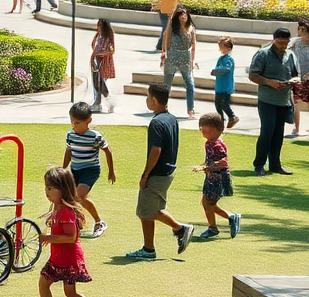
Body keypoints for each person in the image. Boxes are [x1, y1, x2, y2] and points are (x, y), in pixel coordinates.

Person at [25, 168, 105, 297]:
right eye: (46, 188)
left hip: (69, 259)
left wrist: (49, 237)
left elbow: (71, 237)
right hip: (58, 257)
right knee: (44, 282)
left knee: (70, 292)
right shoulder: (57, 208)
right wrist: (51, 237)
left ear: (63, 189)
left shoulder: (65, 211)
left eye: (51, 188)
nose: (47, 192)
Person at [125, 84, 195, 260]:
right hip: (167, 172)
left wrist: (145, 174)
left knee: (145, 212)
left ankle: (149, 250)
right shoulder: (171, 118)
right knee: (152, 209)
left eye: (148, 97)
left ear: (154, 100)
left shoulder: (156, 122)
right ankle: (180, 230)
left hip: (157, 174)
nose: (147, 100)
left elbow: (156, 151)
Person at [248, 28, 298, 176]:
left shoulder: (290, 55)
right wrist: (270, 82)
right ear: (274, 40)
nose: (283, 46)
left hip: (283, 100)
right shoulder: (263, 54)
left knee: (278, 134)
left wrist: (292, 82)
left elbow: (295, 75)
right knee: (267, 132)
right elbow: (253, 75)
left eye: (286, 42)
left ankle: (275, 164)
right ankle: (259, 165)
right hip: (267, 100)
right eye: (280, 42)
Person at [62, 102, 116, 239]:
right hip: (75, 170)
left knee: (78, 197)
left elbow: (107, 151)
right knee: (70, 196)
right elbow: (69, 150)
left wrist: (111, 171)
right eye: (72, 121)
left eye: (77, 123)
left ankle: (99, 222)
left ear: (88, 121)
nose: (74, 125)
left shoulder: (95, 136)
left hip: (90, 170)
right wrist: (63, 169)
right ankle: (74, 222)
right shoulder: (70, 134)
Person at [193, 113, 240, 240]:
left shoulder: (218, 145)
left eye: (204, 130)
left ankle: (231, 218)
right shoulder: (209, 143)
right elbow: (210, 159)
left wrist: (205, 168)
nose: (202, 132)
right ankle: (213, 227)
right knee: (205, 202)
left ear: (215, 129)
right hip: (211, 177)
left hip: (219, 178)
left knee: (210, 203)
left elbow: (224, 162)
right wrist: (203, 166)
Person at [161, 6, 199, 119]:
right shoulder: (172, 27)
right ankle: (163, 107)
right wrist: (164, 54)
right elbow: (166, 39)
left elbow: (193, 45)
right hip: (172, 56)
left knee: (190, 83)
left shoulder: (191, 28)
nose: (183, 18)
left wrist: (193, 60)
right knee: (167, 84)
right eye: (181, 16)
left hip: (185, 57)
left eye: (185, 16)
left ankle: (190, 109)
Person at [289, 18, 309, 138]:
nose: (300, 31)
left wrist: (307, 73)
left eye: (303, 29)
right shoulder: (295, 42)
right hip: (297, 76)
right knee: (295, 101)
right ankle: (296, 127)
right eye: (299, 29)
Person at [211, 37, 239, 129]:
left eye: (223, 47)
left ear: (229, 48)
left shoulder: (229, 59)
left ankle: (232, 117)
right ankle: (221, 120)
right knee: (218, 104)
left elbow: (226, 70)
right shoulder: (221, 59)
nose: (221, 49)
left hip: (226, 87)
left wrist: (215, 71)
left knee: (224, 104)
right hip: (219, 86)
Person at [90, 19, 116, 113]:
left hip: (102, 62)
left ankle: (105, 102)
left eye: (100, 24)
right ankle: (98, 103)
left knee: (100, 83)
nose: (98, 26)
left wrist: (99, 53)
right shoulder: (98, 36)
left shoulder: (106, 37)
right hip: (96, 61)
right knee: (97, 83)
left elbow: (111, 51)